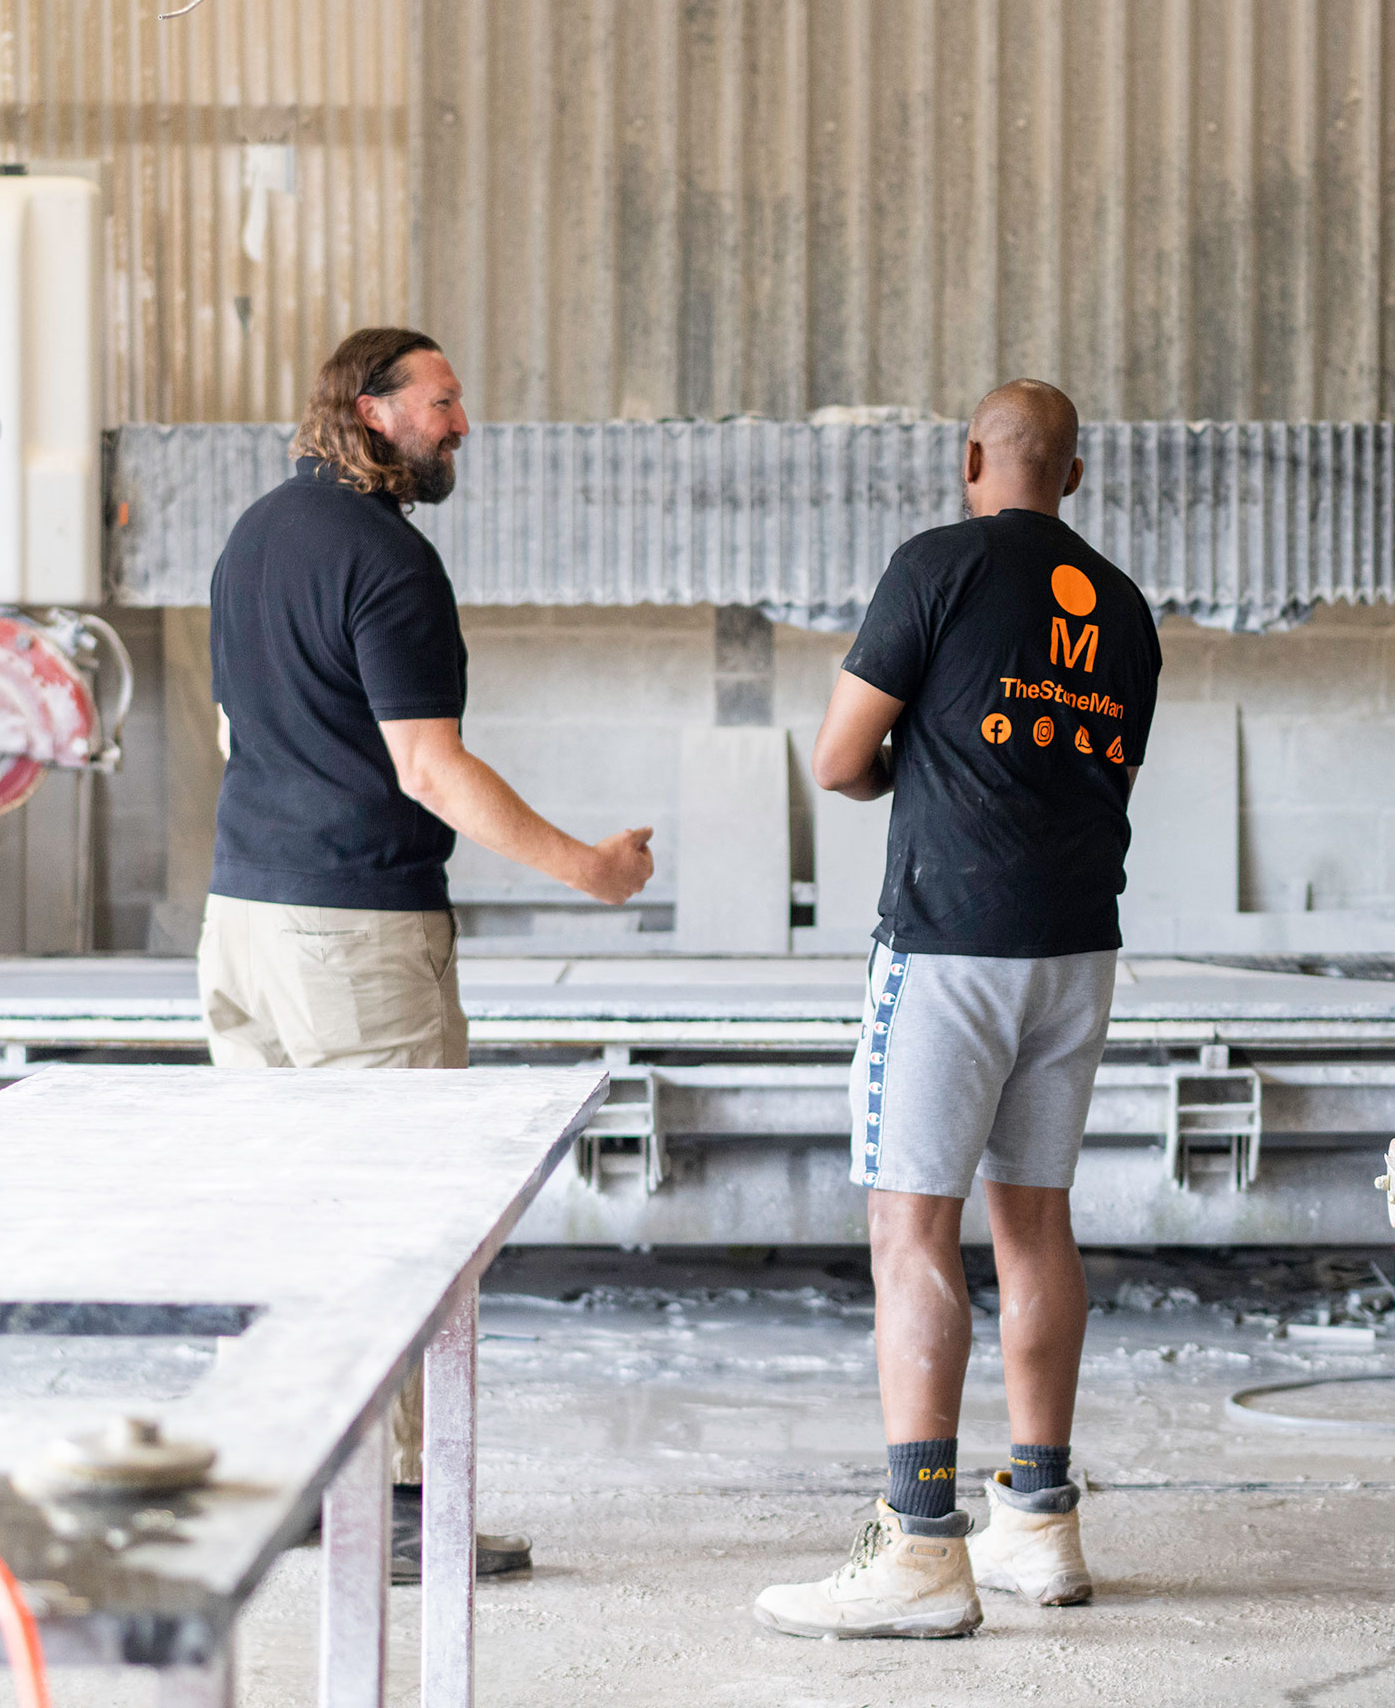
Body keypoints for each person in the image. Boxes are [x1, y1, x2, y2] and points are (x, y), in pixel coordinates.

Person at [199, 326, 655, 1581]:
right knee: (394, 1220)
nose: (462, 424)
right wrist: (591, 868)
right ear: (371, 405)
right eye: (443, 401)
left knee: (289, 1217)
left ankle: (295, 1475)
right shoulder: (386, 560)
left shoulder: (252, 539)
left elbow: (239, 732)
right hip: (352, 932)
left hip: (240, 922)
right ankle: (394, 1505)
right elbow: (428, 766)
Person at [754, 379, 1160, 1640]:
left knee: (908, 1227)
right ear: (1074, 478)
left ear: (971, 456)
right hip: (1075, 945)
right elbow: (1100, 769)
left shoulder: (933, 564)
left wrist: (903, 763)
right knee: (1033, 1219)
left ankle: (921, 1540)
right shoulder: (1129, 612)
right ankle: (1038, 1519)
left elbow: (836, 758)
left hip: (946, 945)